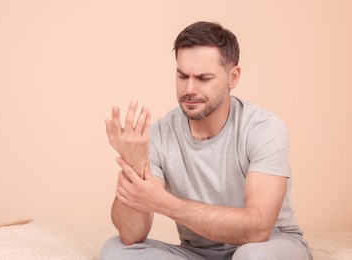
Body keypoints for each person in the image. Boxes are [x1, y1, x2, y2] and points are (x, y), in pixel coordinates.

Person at [101, 21, 313, 259]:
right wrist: (134, 164)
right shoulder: (159, 135)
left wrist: (165, 204)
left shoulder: (264, 129)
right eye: (182, 76)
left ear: (233, 77)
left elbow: (258, 228)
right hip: (197, 253)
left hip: (269, 244)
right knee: (116, 249)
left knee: (252, 256)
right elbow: (131, 234)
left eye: (203, 78)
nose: (189, 88)